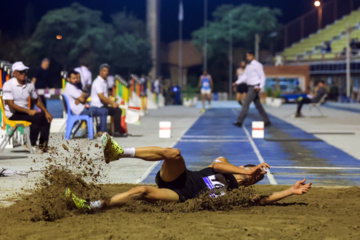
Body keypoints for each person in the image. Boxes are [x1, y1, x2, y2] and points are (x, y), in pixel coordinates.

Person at [65, 133, 312, 210]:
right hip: (181, 177)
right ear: (247, 167)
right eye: (256, 173)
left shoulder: (236, 192)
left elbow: (263, 200)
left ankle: (93, 206)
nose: (256, 177)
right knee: (174, 153)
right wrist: (247, 170)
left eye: (258, 179)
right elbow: (217, 165)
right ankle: (119, 152)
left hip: (181, 196)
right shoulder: (227, 164)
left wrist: (290, 190)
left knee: (141, 191)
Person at [3, 61, 52, 151]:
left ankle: (43, 145)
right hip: (12, 114)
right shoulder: (8, 85)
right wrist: (29, 111)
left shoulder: (29, 83)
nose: (23, 73)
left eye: (25, 71)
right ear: (14, 73)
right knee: (36, 117)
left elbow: (36, 100)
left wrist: (46, 112)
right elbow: (11, 105)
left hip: (25, 112)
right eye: (21, 72)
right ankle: (31, 144)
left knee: (45, 117)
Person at [233, 51, 271, 127]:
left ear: (253, 56)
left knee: (246, 104)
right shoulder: (248, 66)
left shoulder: (258, 65)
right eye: (247, 56)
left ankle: (239, 121)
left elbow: (262, 77)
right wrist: (237, 82)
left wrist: (260, 87)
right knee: (258, 105)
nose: (247, 58)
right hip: (250, 87)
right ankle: (267, 121)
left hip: (254, 87)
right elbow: (245, 77)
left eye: (249, 56)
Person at [64, 70, 108, 136]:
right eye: (73, 78)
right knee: (104, 111)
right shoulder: (70, 87)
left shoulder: (74, 86)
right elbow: (83, 99)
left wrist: (80, 99)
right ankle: (102, 132)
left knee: (100, 110)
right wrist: (81, 99)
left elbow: (85, 95)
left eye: (76, 78)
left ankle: (97, 131)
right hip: (80, 111)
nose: (76, 80)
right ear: (68, 79)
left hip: (82, 108)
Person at [90, 63, 127, 137]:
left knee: (117, 109)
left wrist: (112, 101)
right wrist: (112, 104)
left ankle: (116, 131)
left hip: (103, 105)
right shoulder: (98, 82)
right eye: (104, 71)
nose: (106, 72)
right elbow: (102, 97)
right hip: (98, 106)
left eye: (107, 71)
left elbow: (106, 96)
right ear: (100, 72)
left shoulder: (104, 82)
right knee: (117, 110)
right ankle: (115, 131)